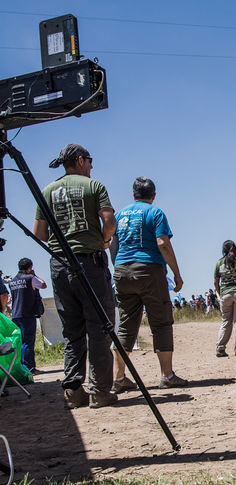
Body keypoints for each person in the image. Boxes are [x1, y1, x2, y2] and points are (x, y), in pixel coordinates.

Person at [32, 143, 118, 409]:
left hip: (60, 267)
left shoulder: (46, 191)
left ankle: (73, 390)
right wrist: (104, 240)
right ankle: (100, 391)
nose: (92, 166)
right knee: (100, 327)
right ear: (80, 161)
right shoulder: (94, 186)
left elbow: (39, 233)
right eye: (90, 161)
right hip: (90, 263)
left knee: (72, 330)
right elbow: (109, 220)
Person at [109, 177, 188, 393]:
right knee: (161, 322)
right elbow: (162, 243)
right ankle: (167, 375)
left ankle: (119, 377)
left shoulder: (120, 215)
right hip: (149, 269)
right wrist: (177, 274)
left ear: (133, 195)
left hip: (122, 271)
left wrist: (118, 265)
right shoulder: (155, 213)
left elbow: (112, 244)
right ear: (153, 195)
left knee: (126, 324)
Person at [8, 258, 47, 374]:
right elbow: (44, 285)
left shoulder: (12, 281)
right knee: (28, 342)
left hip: (15, 315)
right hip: (27, 314)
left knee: (18, 343)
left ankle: (19, 368)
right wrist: (35, 274)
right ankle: (30, 368)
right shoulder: (30, 278)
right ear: (30, 268)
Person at [215, 240, 236, 357]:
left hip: (225, 295)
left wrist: (220, 293)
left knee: (226, 322)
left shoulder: (219, 263)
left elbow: (216, 281)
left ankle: (220, 348)